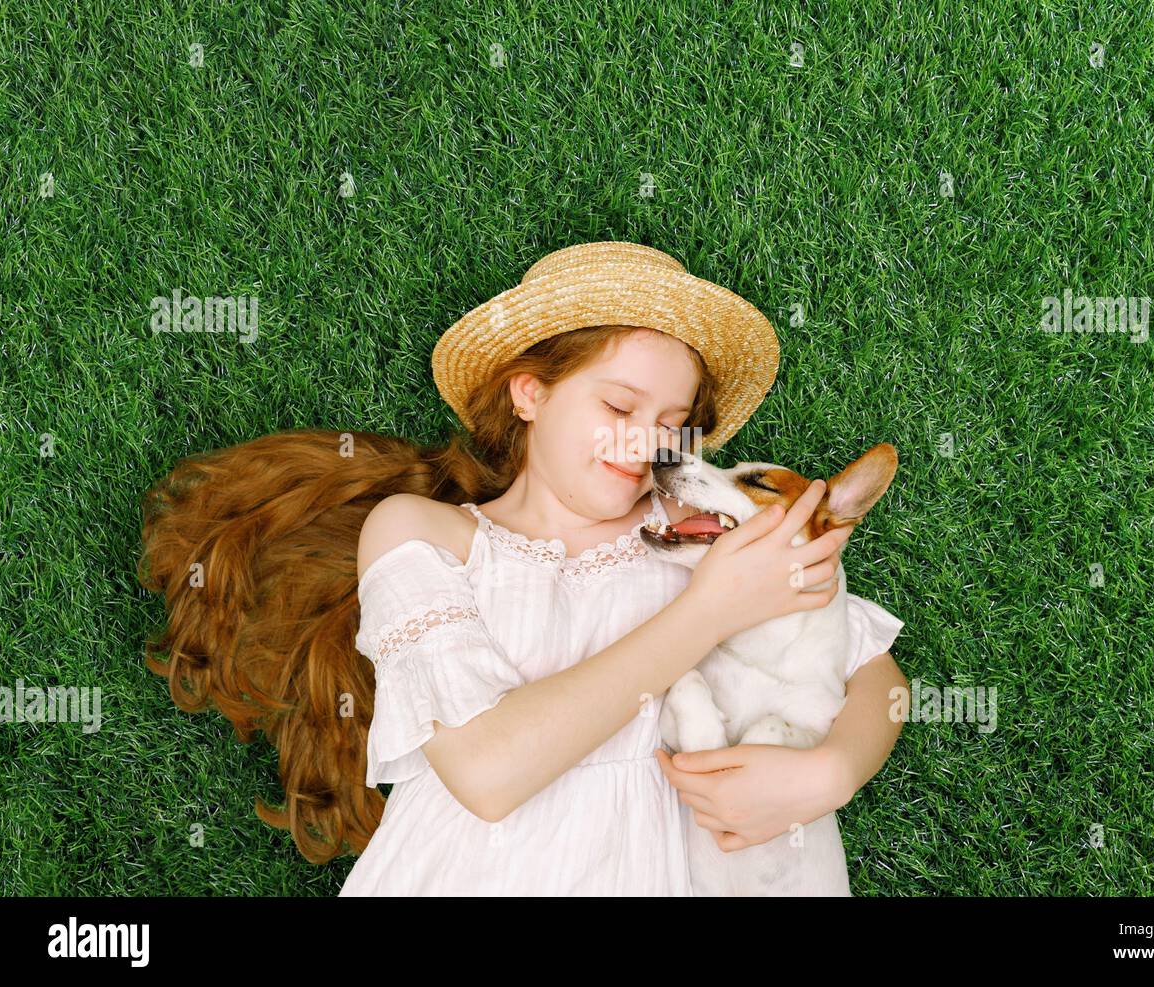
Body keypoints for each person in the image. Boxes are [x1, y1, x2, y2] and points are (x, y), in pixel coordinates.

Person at [137, 241, 906, 895]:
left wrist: (832, 772)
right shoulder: (423, 535)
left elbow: (871, 664)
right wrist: (709, 610)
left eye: (674, 427)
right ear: (530, 393)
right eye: (618, 407)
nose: (647, 446)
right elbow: (489, 772)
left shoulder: (694, 534)